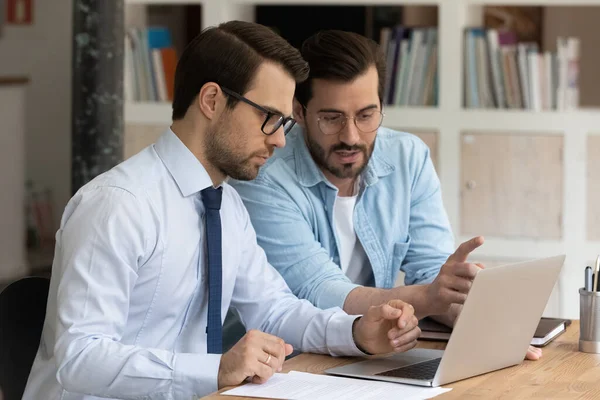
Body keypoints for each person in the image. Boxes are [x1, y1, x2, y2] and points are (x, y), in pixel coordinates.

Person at [22, 22, 422, 400]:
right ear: (212, 100)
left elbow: (273, 308)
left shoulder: (225, 203)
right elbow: (79, 356)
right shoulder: (117, 205)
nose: (281, 140)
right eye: (269, 118)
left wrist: (355, 331)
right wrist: (215, 371)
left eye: (284, 122)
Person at [229, 29, 541, 361]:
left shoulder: (408, 157)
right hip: (288, 362)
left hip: (374, 355)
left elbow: (432, 272)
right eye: (331, 118)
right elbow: (317, 290)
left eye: (366, 115)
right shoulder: (263, 174)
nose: (351, 137)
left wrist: (475, 318)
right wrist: (428, 297)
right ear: (300, 112)